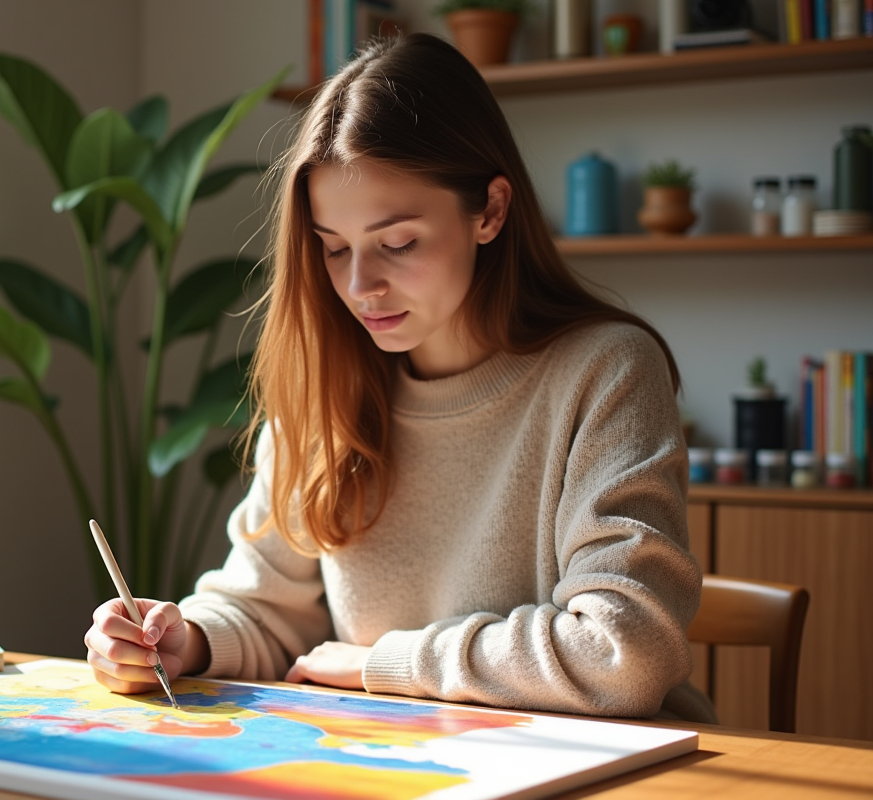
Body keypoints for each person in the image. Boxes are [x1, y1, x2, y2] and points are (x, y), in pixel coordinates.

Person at [83, 33, 716, 723]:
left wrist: (386, 664)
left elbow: (625, 651)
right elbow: (266, 609)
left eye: (398, 243)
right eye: (334, 249)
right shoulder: (326, 384)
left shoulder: (605, 371)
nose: (361, 286)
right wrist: (187, 641)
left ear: (490, 210)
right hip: (401, 758)